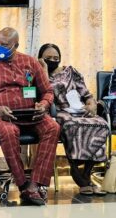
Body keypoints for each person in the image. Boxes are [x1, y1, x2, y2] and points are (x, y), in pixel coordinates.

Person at [0, 27, 60, 205]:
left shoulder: (30, 62)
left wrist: (43, 105)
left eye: (4, 45)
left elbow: (48, 91)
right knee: (9, 131)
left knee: (53, 127)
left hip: (30, 113)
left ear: (16, 45)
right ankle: (22, 184)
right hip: (1, 115)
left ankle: (34, 185)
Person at [38, 43, 109, 195]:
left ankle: (86, 174)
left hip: (78, 109)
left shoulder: (70, 71)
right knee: (71, 126)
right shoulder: (38, 74)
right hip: (58, 111)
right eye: (48, 58)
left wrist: (91, 105)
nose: (53, 60)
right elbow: (44, 92)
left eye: (56, 58)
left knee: (101, 124)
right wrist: (43, 70)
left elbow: (87, 94)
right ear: (41, 59)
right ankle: (75, 169)